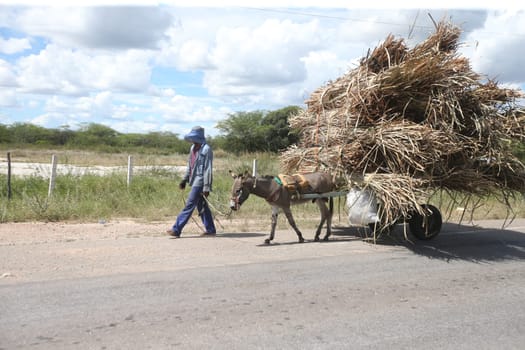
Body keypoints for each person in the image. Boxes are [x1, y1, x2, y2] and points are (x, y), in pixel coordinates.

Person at [166, 126, 216, 238]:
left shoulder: (206, 149)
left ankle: (176, 229)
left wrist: (206, 187)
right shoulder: (192, 148)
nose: (193, 140)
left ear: (199, 137)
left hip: (201, 181)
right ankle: (211, 229)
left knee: (189, 205)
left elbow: (208, 169)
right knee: (202, 206)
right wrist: (185, 179)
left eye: (194, 138)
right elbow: (190, 165)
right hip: (194, 180)